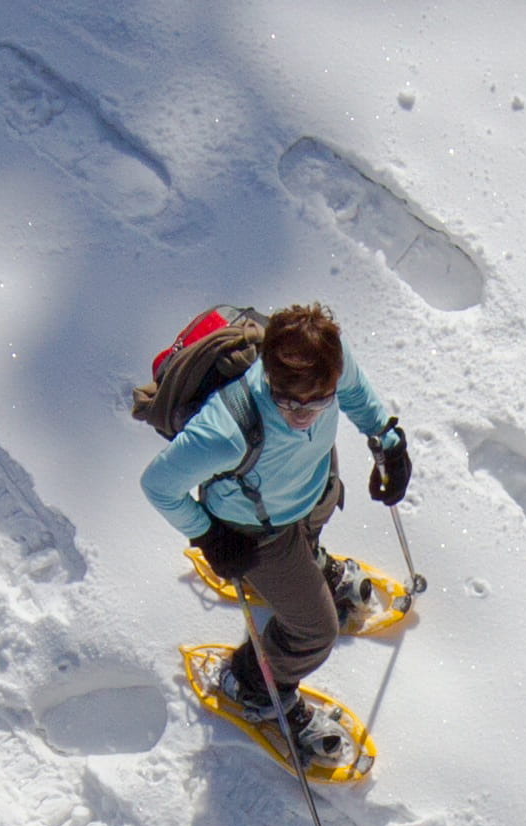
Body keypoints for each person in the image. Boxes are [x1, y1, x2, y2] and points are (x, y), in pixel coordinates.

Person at [140, 303, 411, 762]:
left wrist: (386, 438)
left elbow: (356, 390)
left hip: (310, 489)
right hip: (255, 531)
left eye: (318, 401)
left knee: (313, 529)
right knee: (314, 633)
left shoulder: (331, 360)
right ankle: (254, 687)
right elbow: (159, 486)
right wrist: (209, 536)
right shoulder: (223, 431)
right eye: (288, 401)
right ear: (269, 373)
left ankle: (312, 570)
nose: (303, 414)